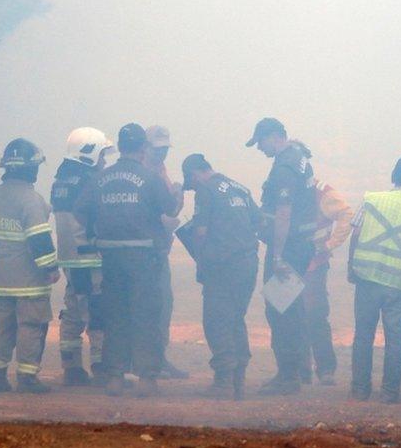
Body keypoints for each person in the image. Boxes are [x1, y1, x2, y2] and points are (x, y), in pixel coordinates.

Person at [74, 123, 180, 397]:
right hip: (144, 258)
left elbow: (80, 211)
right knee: (146, 315)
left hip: (110, 257)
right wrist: (178, 193)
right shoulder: (149, 177)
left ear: (120, 147)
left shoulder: (100, 178)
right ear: (143, 147)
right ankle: (146, 378)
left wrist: (94, 236)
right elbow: (169, 208)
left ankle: (115, 378)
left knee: (116, 316)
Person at [347, 156, 401, 403]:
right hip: (400, 285)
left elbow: (356, 234)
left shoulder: (371, 200)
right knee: (395, 340)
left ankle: (359, 389)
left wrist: (351, 267)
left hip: (367, 278)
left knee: (363, 335)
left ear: (392, 176)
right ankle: (389, 392)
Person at [0, 138, 59, 394]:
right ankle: (27, 377)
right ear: (29, 168)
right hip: (29, 282)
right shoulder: (31, 199)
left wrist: (2, 253)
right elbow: (39, 239)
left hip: (1, 279)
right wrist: (50, 268)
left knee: (2, 326)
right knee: (30, 327)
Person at [181, 154, 263, 400]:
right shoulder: (241, 188)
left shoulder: (206, 190)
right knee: (236, 318)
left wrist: (201, 261)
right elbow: (258, 222)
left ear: (195, 173)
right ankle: (239, 379)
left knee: (217, 321)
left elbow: (200, 232)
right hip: (247, 264)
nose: (192, 186)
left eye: (191, 182)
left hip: (220, 266)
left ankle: (223, 381)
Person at [246, 117, 318, 396]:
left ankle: (288, 376)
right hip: (301, 245)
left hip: (288, 248)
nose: (259, 149)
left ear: (275, 136)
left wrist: (276, 256)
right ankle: (301, 369)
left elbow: (284, 213)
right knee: (294, 308)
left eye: (260, 142)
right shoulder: (299, 157)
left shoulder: (286, 166)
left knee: (280, 309)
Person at [51, 127, 115, 387]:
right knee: (97, 310)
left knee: (73, 309)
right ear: (88, 154)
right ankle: (101, 367)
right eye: (101, 155)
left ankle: (72, 366)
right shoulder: (92, 182)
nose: (104, 161)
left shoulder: (62, 180)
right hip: (90, 256)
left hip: (70, 258)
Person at [144, 125, 189, 380]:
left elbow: (168, 210)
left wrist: (177, 200)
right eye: (157, 148)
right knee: (152, 305)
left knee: (163, 304)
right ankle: (148, 361)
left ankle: (158, 358)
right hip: (147, 250)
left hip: (159, 247)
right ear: (144, 146)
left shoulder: (159, 170)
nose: (162, 154)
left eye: (164, 149)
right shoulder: (142, 172)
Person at [299, 178, 353, 386]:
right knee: (292, 315)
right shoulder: (282, 184)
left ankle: (325, 368)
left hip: (313, 265)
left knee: (315, 315)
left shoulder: (321, 192)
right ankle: (300, 369)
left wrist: (329, 245)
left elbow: (347, 214)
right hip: (288, 265)